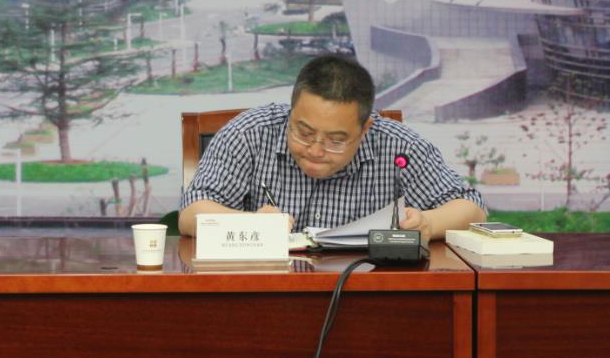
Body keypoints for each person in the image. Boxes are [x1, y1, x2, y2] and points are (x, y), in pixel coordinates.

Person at [179, 55, 486, 239]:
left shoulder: (399, 146)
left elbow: (472, 209)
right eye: (304, 132)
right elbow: (192, 213)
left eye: (336, 141)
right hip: (263, 290)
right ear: (291, 111)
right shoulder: (250, 133)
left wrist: (428, 223)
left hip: (367, 294)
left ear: (365, 129)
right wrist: (252, 224)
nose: (315, 150)